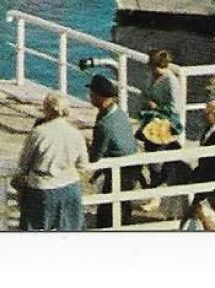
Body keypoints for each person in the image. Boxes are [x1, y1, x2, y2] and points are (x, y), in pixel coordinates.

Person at [11, 91, 89, 231]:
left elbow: (24, 163)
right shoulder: (76, 133)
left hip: (43, 188)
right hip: (70, 186)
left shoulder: (39, 133)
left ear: (47, 108)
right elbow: (83, 165)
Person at [87, 73, 140, 227]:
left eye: (91, 94)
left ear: (98, 96)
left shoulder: (104, 124)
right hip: (133, 164)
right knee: (123, 206)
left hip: (121, 170)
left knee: (107, 214)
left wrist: (88, 147)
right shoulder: (118, 112)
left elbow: (94, 157)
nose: (90, 97)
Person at [138, 49, 185, 189]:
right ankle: (155, 186)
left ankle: (156, 189)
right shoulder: (151, 76)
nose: (154, 70)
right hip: (151, 121)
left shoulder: (171, 82)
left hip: (165, 123)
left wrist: (157, 107)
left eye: (157, 67)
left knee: (157, 158)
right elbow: (145, 92)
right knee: (151, 154)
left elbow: (175, 108)